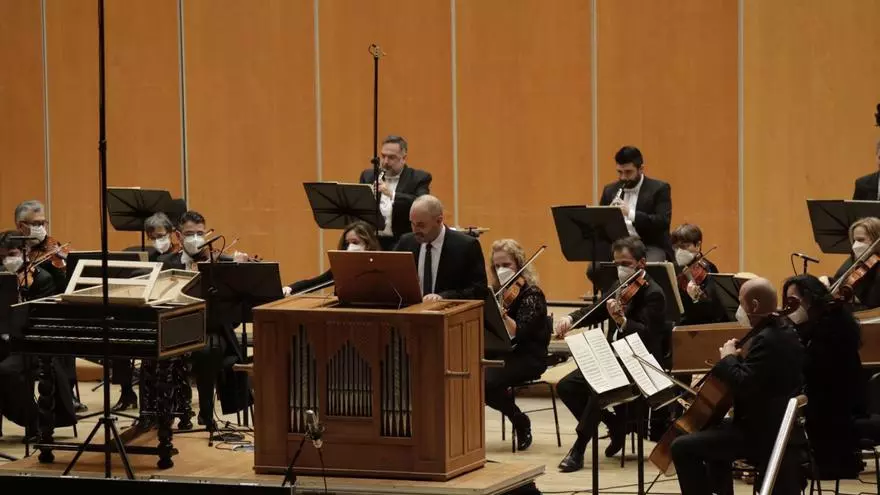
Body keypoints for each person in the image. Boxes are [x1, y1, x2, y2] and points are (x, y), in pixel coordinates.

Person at [670, 277, 805, 495]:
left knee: (681, 447)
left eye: (741, 303)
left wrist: (728, 358)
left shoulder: (767, 338)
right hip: (771, 423)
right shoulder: (783, 331)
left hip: (761, 432)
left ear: (754, 306)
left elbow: (744, 384)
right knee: (712, 432)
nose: (739, 310)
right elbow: (760, 377)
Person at [553, 236, 668, 472]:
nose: (621, 268)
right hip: (611, 359)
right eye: (617, 264)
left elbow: (648, 336)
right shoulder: (619, 286)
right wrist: (571, 319)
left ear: (641, 263)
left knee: (600, 389)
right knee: (566, 386)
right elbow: (595, 310)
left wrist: (622, 321)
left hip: (637, 362)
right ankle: (615, 425)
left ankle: (579, 448)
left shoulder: (653, 293)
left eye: (626, 263)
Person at [158, 210, 251, 428]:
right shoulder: (166, 263)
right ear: (178, 236)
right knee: (162, 351)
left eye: (200, 233)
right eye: (190, 234)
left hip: (212, 329)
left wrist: (236, 270)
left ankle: (206, 413)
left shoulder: (219, 263)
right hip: (176, 327)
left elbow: (233, 316)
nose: (196, 239)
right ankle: (172, 411)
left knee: (208, 349)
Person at [782, 274, 865, 479]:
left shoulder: (832, 328)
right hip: (826, 399)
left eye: (793, 301)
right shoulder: (817, 324)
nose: (789, 308)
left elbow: (814, 370)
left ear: (810, 299)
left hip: (836, 406)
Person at [0, 230, 77, 438]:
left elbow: (43, 319)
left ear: (25, 252)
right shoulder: (2, 278)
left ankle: (34, 420)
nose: (7, 260)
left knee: (7, 371)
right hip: (5, 342)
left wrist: (27, 292)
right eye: (3, 256)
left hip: (31, 344)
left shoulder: (43, 278)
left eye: (12, 254)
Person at [484, 239, 551, 451]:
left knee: (485, 383)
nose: (501, 270)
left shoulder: (532, 294)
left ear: (519, 264)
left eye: (506, 265)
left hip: (528, 356)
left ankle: (519, 420)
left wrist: (502, 316)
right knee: (473, 378)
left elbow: (521, 333)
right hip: (503, 354)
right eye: (497, 266)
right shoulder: (497, 293)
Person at [394, 195, 488, 302]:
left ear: (439, 221)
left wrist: (444, 297)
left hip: (449, 310)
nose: (415, 230)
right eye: (412, 223)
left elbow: (479, 291)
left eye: (421, 225)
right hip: (412, 310)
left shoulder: (466, 246)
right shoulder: (406, 242)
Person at [598, 146, 673, 262]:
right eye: (620, 172)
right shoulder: (610, 190)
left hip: (649, 245)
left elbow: (662, 221)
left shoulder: (659, 189)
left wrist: (630, 213)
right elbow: (600, 225)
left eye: (628, 172)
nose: (623, 177)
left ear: (641, 169)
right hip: (619, 247)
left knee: (651, 266)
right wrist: (609, 215)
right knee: (596, 267)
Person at [359, 135, 432, 250]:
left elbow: (423, 205)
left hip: (403, 243)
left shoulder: (418, 178)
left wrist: (391, 194)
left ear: (404, 158)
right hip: (373, 242)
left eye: (391, 157)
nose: (385, 162)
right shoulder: (368, 176)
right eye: (383, 156)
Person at [283, 220, 381, 296]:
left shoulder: (380, 267)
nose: (350, 247)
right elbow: (315, 282)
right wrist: (290, 288)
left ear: (368, 244)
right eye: (347, 244)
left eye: (355, 242)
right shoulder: (341, 268)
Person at [671, 223, 727, 325]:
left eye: (684, 246)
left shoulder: (709, 269)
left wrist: (696, 297)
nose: (679, 252)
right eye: (676, 247)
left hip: (699, 325)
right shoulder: (673, 268)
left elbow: (712, 309)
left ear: (698, 245)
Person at [821, 216, 880, 310]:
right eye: (854, 240)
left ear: (876, 238)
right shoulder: (855, 259)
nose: (855, 245)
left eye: (861, 240)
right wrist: (828, 281)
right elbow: (842, 283)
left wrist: (853, 298)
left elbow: (873, 301)